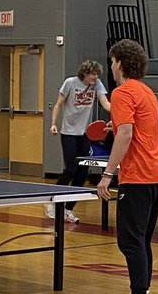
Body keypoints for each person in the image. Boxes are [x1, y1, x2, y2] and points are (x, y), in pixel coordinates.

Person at [96, 40, 158, 294]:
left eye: (112, 61)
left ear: (120, 63)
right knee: (142, 239)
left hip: (138, 177)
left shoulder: (122, 92)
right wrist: (115, 125)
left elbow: (126, 135)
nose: (111, 67)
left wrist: (107, 174)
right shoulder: (146, 91)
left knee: (129, 240)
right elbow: (136, 127)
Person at [48, 60, 112, 222]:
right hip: (68, 133)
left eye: (97, 74)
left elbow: (105, 103)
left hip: (84, 134)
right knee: (70, 169)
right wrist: (53, 124)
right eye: (93, 74)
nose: (96, 77)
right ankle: (52, 204)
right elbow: (57, 105)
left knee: (83, 172)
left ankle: (68, 209)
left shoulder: (97, 85)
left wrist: (122, 110)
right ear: (84, 73)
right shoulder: (70, 83)